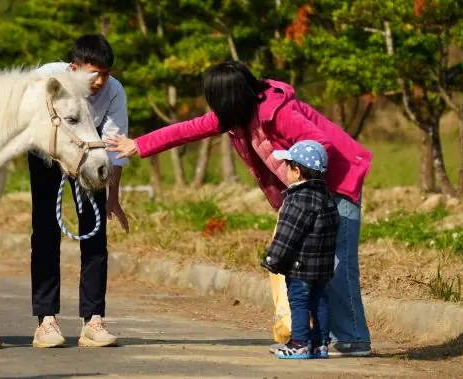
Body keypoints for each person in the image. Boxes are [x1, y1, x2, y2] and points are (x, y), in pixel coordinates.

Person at [106, 60, 373, 357]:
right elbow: (187, 129)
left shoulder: (278, 112)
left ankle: (353, 338)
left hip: (338, 183)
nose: (214, 110)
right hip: (306, 193)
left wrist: (299, 181)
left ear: (230, 98)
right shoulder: (235, 117)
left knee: (336, 262)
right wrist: (139, 145)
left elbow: (320, 142)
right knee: (315, 266)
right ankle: (323, 339)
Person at [27, 34, 130, 349]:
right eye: (92, 73)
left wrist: (113, 197)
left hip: (91, 156)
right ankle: (46, 321)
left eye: (105, 73)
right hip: (47, 153)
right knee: (45, 231)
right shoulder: (46, 78)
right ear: (74, 68)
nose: (99, 80)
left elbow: (115, 146)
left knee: (94, 237)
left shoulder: (114, 92)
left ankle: (93, 320)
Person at [261, 140, 339, 360]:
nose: (285, 170)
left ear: (297, 170)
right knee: (320, 301)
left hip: (300, 266)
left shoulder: (297, 199)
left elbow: (287, 234)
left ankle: (299, 344)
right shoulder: (327, 198)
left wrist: (272, 259)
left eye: (288, 166)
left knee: (299, 302)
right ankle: (320, 345)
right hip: (322, 267)